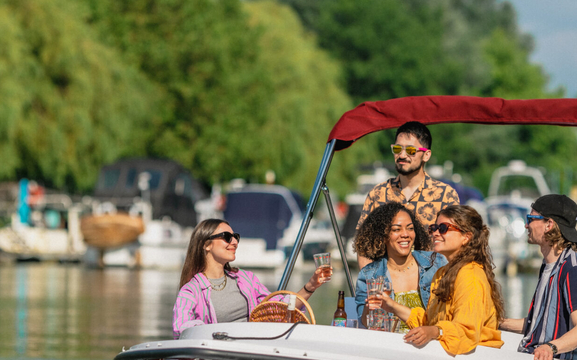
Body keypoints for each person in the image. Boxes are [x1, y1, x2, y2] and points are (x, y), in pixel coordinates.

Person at [368, 205, 503, 355]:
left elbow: (466, 331)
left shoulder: (470, 275)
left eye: (444, 228)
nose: (435, 233)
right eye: (434, 228)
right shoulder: (442, 273)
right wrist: (391, 306)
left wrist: (435, 331)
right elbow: (429, 323)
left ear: (466, 237)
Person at [172, 218, 330, 337]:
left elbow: (279, 307)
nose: (234, 242)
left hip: (252, 348)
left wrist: (311, 285)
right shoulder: (191, 290)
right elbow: (181, 326)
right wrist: (215, 333)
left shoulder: (246, 279)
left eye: (235, 237)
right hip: (219, 355)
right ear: (206, 245)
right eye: (227, 237)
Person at [499, 194, 577, 360]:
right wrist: (496, 322)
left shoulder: (573, 268)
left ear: (549, 225)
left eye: (530, 218)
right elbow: (538, 325)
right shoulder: (548, 265)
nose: (527, 225)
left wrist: (550, 347)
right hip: (532, 358)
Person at [355, 121, 460, 268]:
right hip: (387, 286)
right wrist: (371, 284)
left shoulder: (445, 195)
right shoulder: (378, 194)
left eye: (410, 150)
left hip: (432, 285)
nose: (402, 155)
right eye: (397, 149)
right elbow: (363, 246)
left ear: (426, 155)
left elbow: (454, 246)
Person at [352, 202, 443, 332]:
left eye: (410, 228)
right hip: (391, 346)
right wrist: (369, 307)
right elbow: (365, 324)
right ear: (382, 236)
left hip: (430, 344)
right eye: (396, 229)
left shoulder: (436, 263)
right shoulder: (369, 274)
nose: (405, 234)